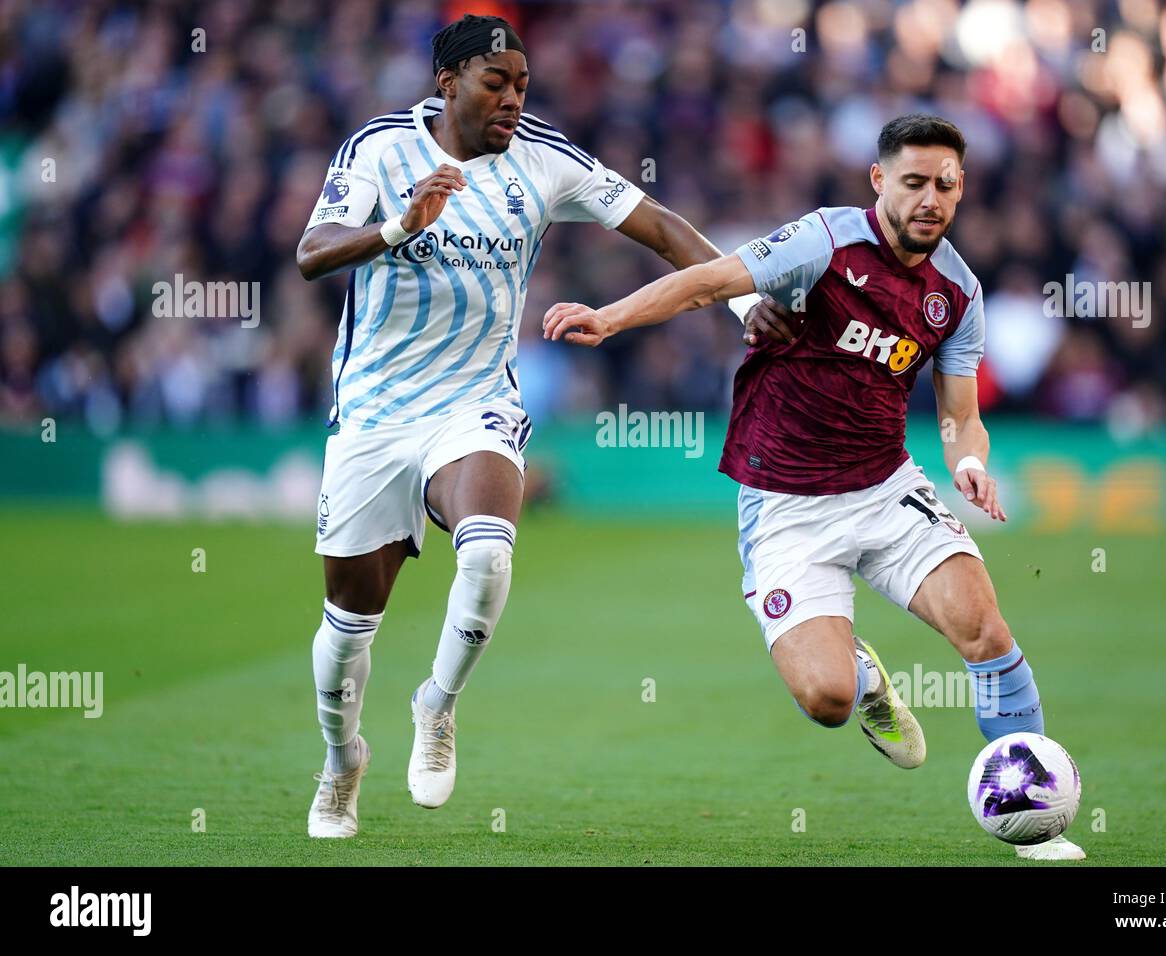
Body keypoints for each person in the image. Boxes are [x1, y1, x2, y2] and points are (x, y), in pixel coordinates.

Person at [543, 113, 1085, 861]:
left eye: (946, 186)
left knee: (985, 630)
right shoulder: (826, 241)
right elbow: (708, 281)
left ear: (962, 191)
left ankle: (1033, 819)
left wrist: (967, 463)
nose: (930, 199)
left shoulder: (957, 291)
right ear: (880, 181)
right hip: (786, 506)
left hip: (885, 486)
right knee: (825, 702)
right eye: (915, 182)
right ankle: (863, 678)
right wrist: (610, 317)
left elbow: (962, 415)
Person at [296, 14, 728, 838]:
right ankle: (342, 758)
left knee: (490, 548)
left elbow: (665, 228)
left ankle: (438, 703)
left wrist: (742, 298)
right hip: (374, 415)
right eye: (497, 83)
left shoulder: (545, 159)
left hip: (475, 403)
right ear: (446, 82)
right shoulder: (380, 150)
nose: (513, 100)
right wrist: (397, 228)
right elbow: (311, 252)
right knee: (349, 628)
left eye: (523, 85)